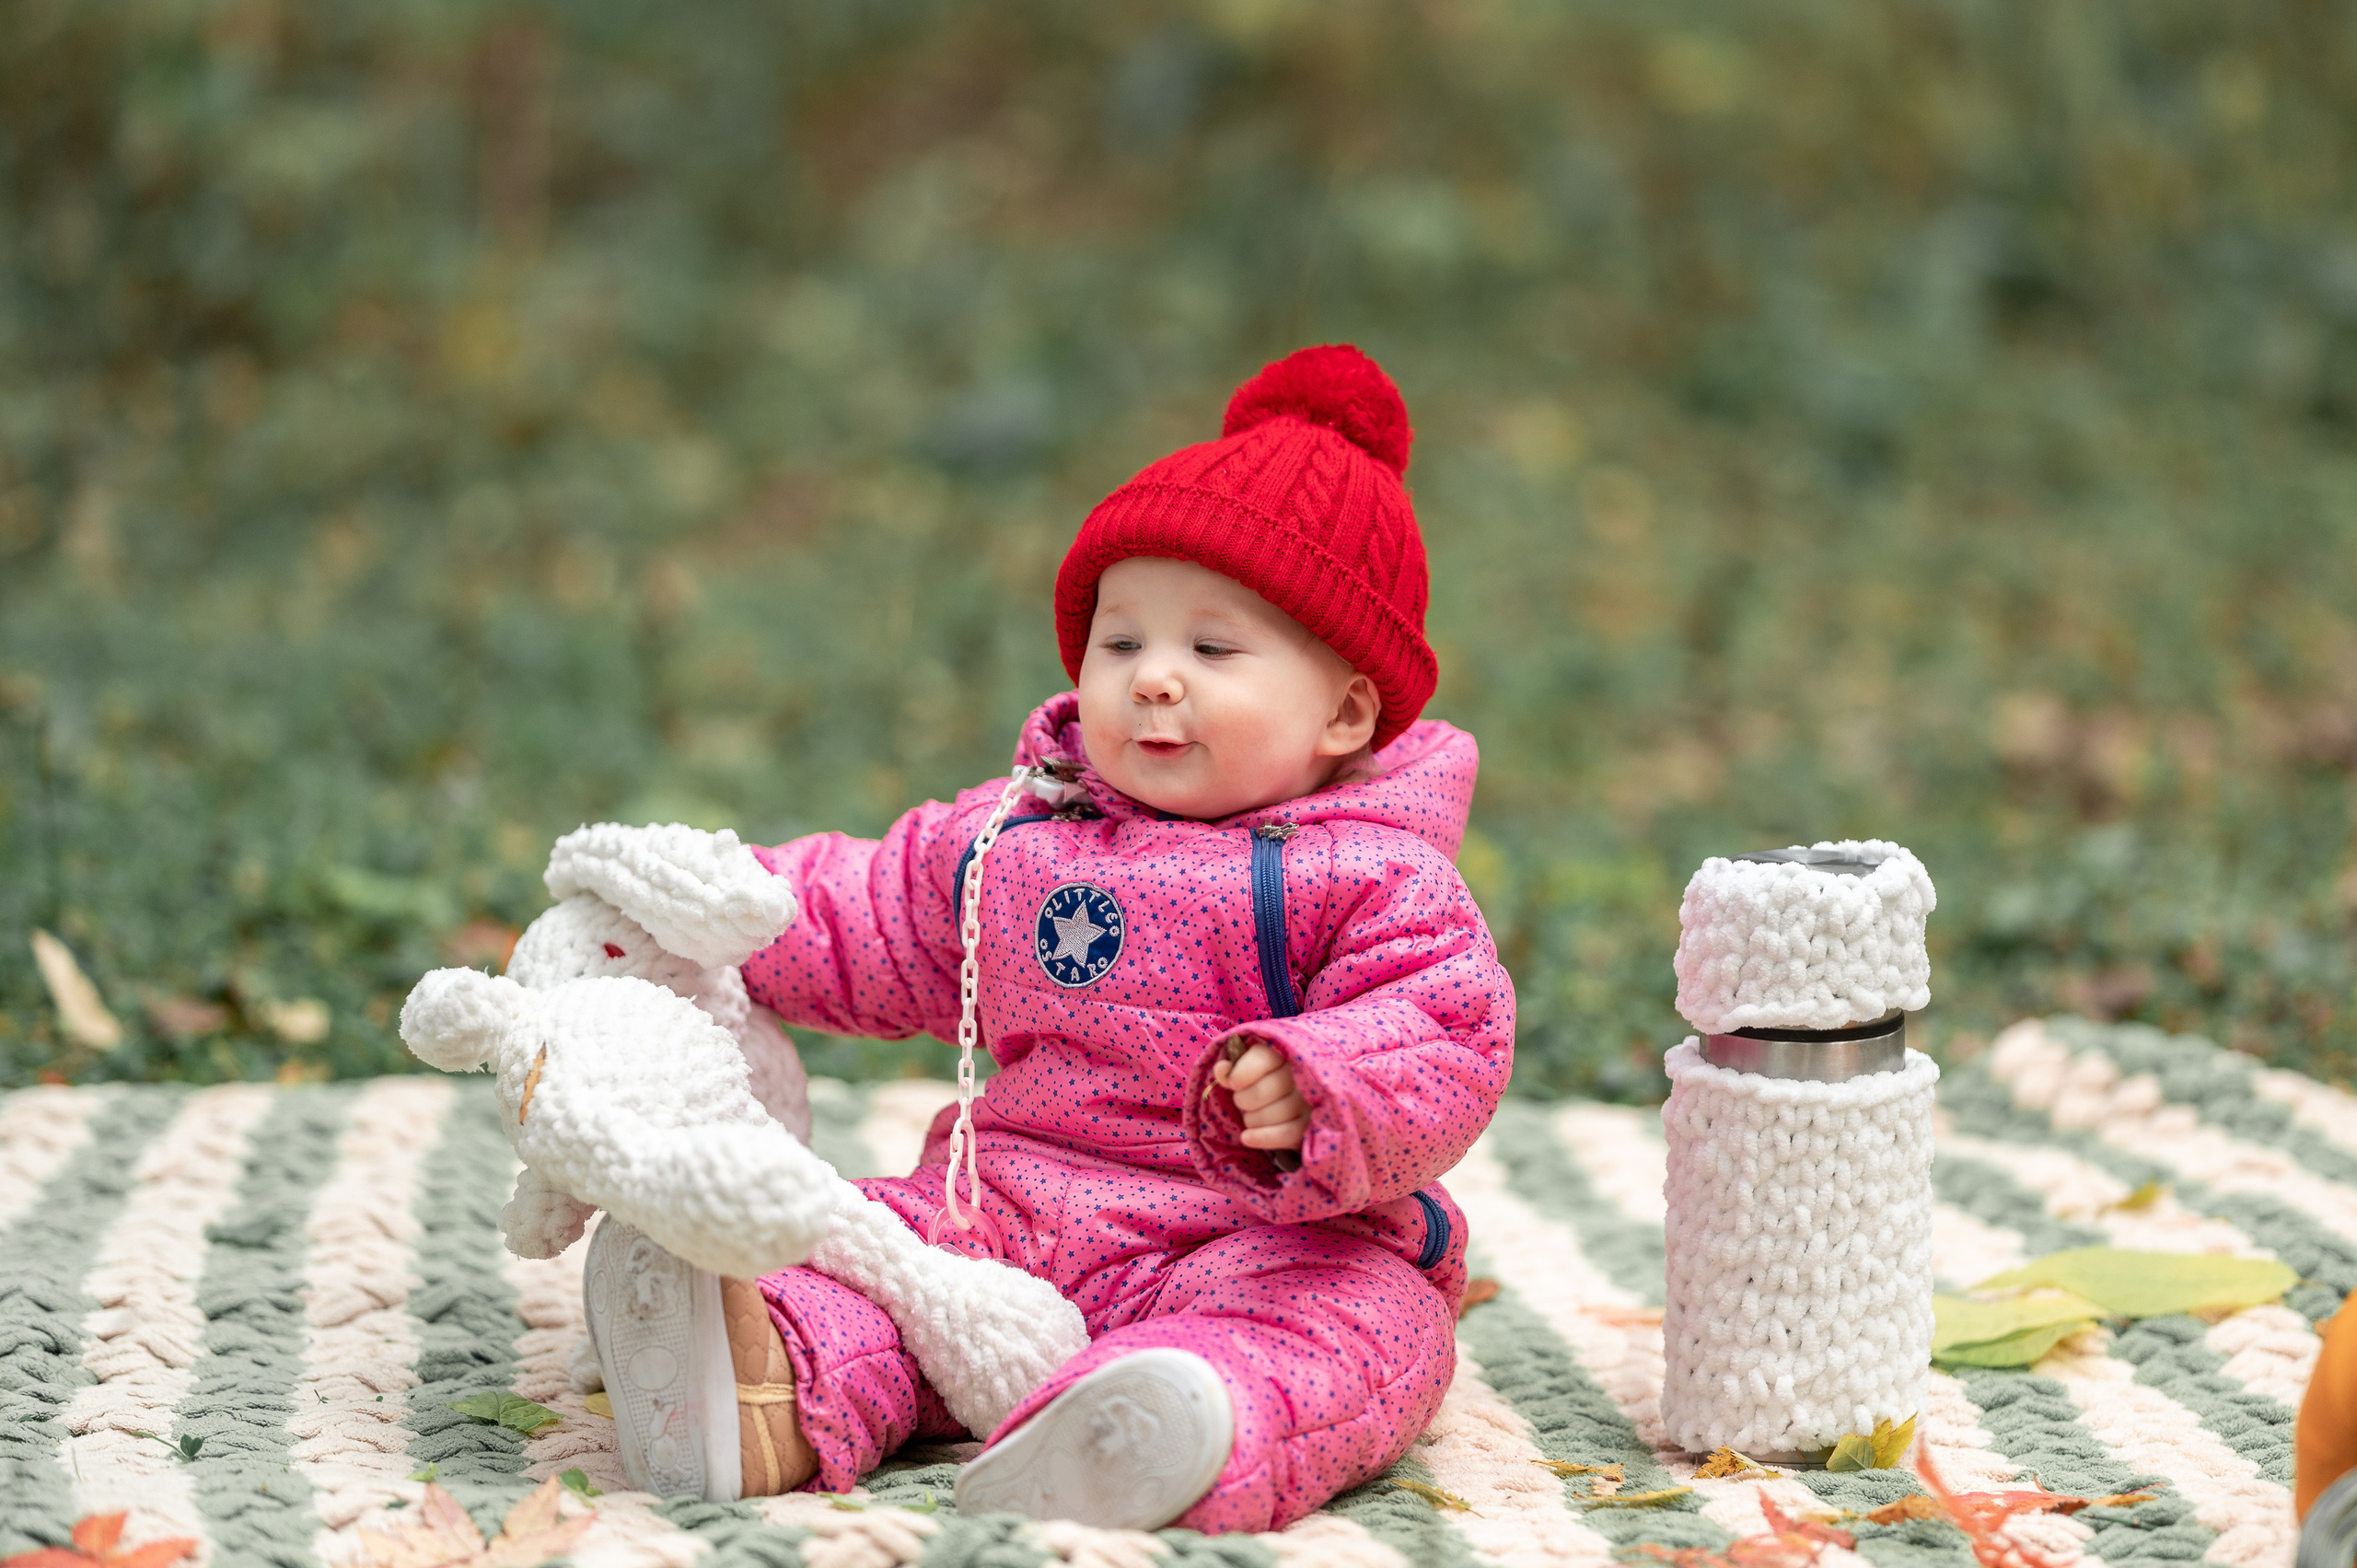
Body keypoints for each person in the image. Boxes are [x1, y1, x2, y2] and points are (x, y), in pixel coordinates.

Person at [585, 343, 1515, 1535]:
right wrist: (715, 909)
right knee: (867, 1253)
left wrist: (1324, 1085)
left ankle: (1174, 1422)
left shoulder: (1371, 875)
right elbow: (872, 914)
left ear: (1344, 710)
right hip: (1007, 1207)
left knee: (1364, 1329)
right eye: (1122, 643)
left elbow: (1443, 1031)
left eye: (1212, 650)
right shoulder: (1020, 838)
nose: (1154, 681)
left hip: (1251, 1240)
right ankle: (752, 1378)